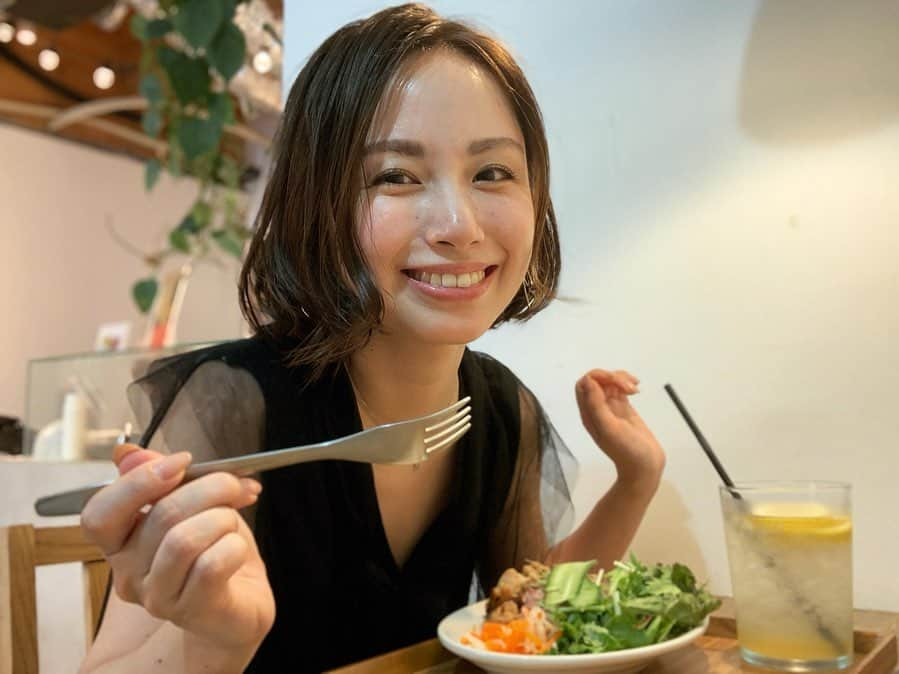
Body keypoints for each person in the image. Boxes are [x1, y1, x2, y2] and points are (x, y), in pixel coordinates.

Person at [77, 4, 665, 672]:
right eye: (395, 176)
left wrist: (634, 481)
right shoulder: (232, 401)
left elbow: (530, 607)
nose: (458, 225)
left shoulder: (501, 408)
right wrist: (214, 640)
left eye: (492, 173)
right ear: (316, 202)